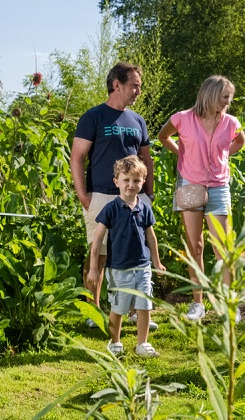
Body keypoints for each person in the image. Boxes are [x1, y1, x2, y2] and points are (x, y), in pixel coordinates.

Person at [71, 63, 157, 331]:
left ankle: (134, 310)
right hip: (101, 196)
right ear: (116, 84)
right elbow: (77, 157)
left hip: (135, 198)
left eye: (139, 86)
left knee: (134, 253)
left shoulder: (137, 120)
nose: (138, 91)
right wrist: (83, 195)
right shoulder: (93, 116)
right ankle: (94, 312)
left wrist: (149, 193)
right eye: (134, 85)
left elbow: (146, 159)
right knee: (99, 255)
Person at [157, 75, 245, 322]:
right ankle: (198, 304)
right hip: (189, 185)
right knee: (195, 246)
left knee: (223, 249)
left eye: (230, 97)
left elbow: (240, 141)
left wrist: (224, 155)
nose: (229, 102)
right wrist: (181, 152)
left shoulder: (231, 122)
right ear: (210, 95)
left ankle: (230, 304)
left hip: (218, 187)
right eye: (225, 97)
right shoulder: (182, 118)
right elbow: (164, 136)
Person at [86, 155, 166, 357]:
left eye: (136, 180)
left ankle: (143, 344)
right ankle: (115, 343)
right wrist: (94, 269)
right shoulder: (111, 209)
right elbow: (97, 242)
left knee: (144, 306)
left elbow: (151, 237)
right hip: (119, 268)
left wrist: (156, 262)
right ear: (117, 182)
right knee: (119, 307)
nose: (131, 185)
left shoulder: (144, 207)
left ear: (143, 182)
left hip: (143, 267)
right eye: (127, 180)